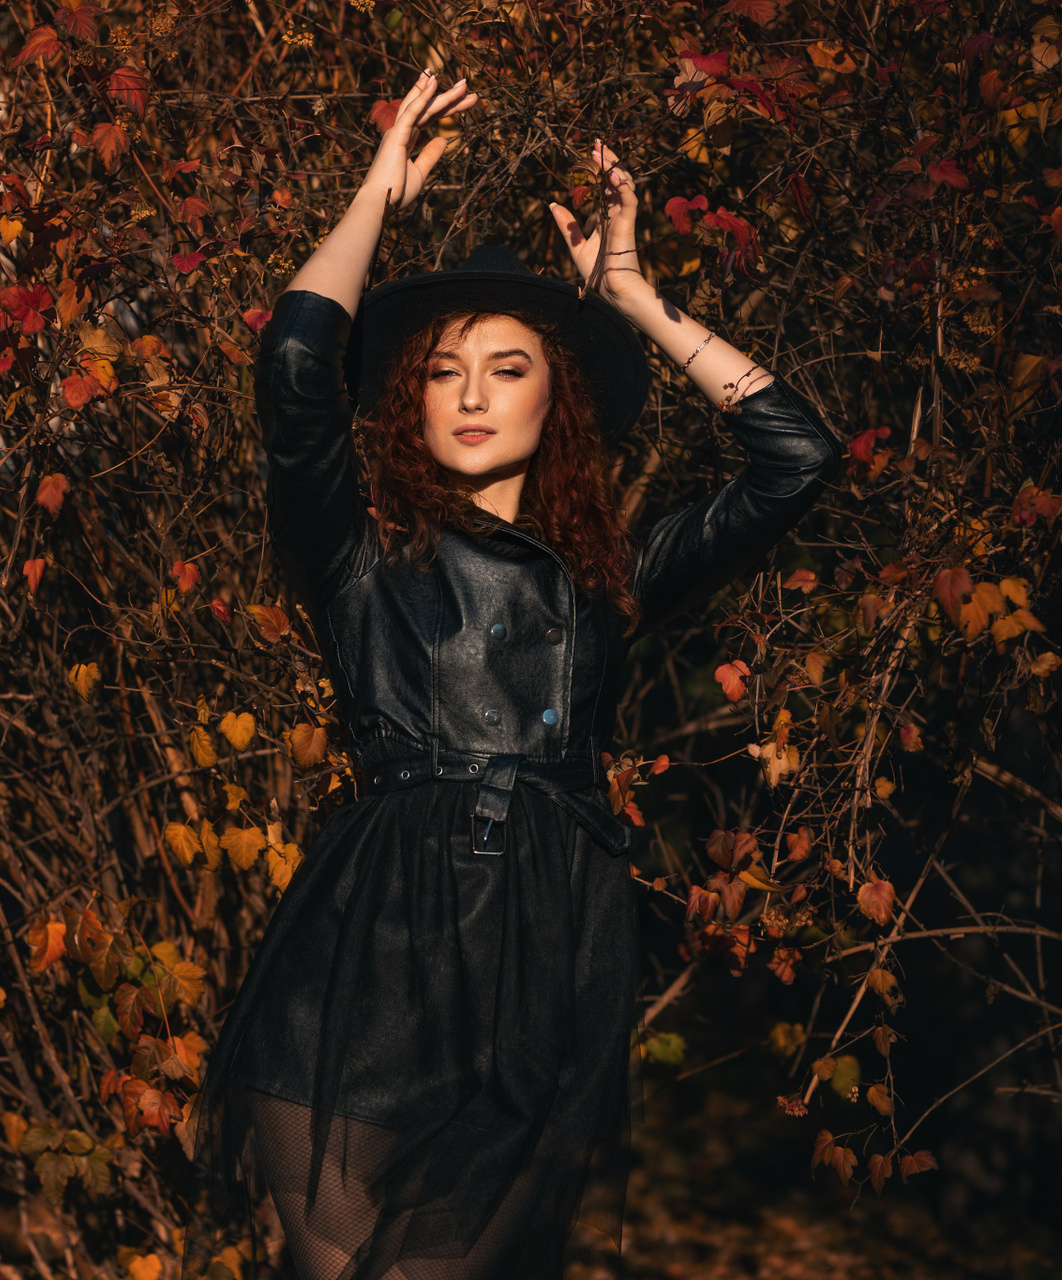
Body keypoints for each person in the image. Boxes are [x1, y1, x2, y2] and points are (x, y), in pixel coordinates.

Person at [190, 68, 840, 1280]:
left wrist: (633, 298)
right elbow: (293, 366)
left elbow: (796, 455)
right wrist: (377, 196)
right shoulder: (358, 560)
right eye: (444, 369)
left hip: (539, 965)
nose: (475, 394)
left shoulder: (612, 579)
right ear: (412, 400)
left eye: (508, 364)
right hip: (366, 964)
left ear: (558, 394)